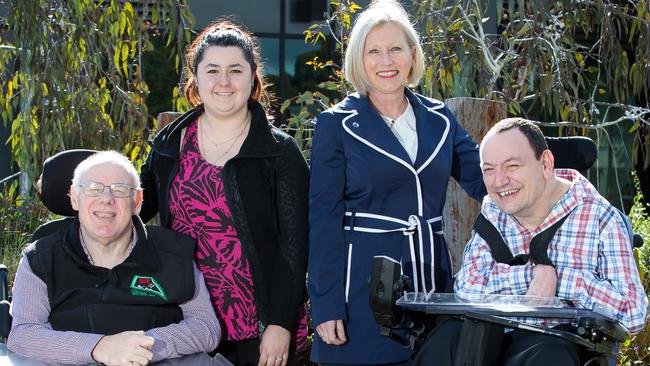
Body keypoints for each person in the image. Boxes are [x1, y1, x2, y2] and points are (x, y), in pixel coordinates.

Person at [307, 0, 486, 364]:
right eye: (374, 51)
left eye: (395, 49)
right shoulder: (335, 124)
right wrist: (325, 304)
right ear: (359, 59)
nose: (386, 61)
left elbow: (487, 179)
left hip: (431, 287)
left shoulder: (440, 119)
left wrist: (550, 181)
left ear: (412, 54)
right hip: (359, 292)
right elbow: (323, 218)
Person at [139, 20, 309, 366]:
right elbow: (132, 214)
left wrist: (279, 323)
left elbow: (295, 246)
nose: (224, 81)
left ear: (253, 77)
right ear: (196, 79)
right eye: (212, 70)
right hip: (186, 321)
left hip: (260, 326)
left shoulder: (279, 152)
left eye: (235, 70)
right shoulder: (170, 146)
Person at [412, 118, 649, 365]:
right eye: (489, 169)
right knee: (447, 338)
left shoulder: (602, 219)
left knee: (548, 352)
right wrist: (533, 277)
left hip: (556, 345)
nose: (499, 181)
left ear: (545, 164)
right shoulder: (494, 213)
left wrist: (562, 281)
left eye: (512, 166)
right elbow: (467, 290)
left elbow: (633, 314)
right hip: (489, 339)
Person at [7, 151, 222, 365]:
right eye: (93, 188)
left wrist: (142, 347)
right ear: (74, 197)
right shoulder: (40, 259)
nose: (106, 199)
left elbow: (206, 327)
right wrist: (99, 347)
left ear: (137, 201)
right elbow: (24, 334)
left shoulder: (174, 254)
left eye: (120, 190)